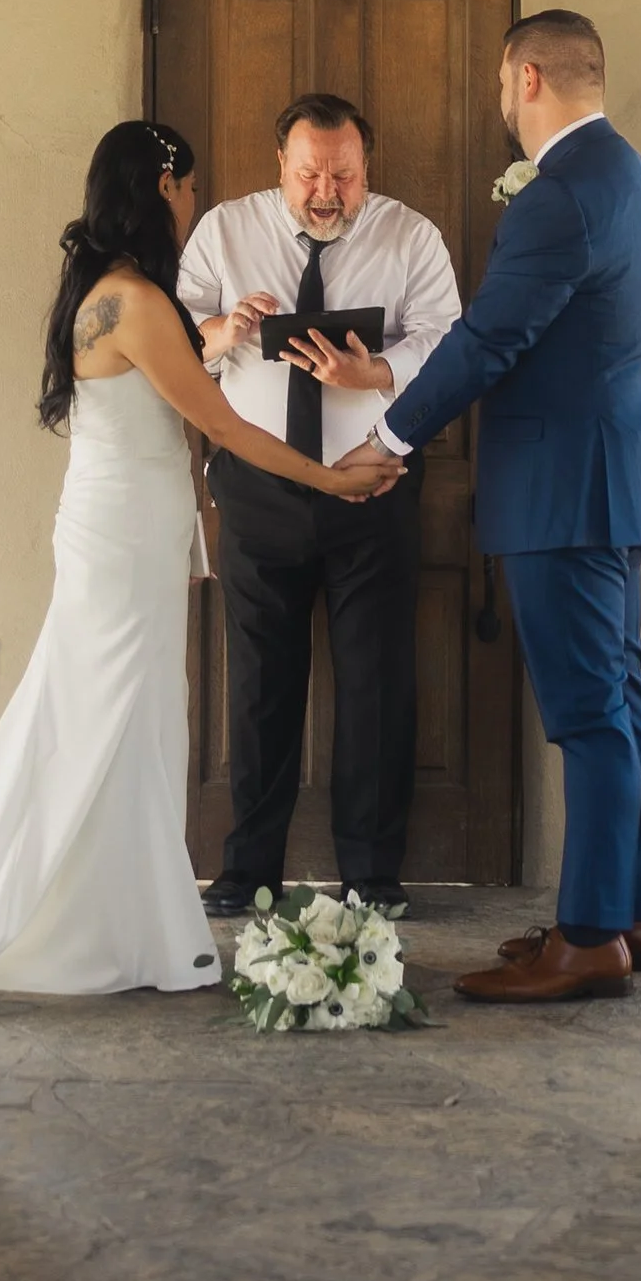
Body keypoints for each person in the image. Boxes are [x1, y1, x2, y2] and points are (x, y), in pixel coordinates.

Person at [0, 121, 403, 1000]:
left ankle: (123, 918)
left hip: (126, 525)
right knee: (105, 711)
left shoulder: (114, 291)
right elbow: (219, 425)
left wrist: (189, 527)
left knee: (129, 713)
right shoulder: (136, 301)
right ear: (160, 188)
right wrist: (330, 479)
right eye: (186, 188)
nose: (192, 202)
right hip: (122, 532)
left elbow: (164, 415)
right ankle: (73, 915)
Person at [370, 12, 641, 1005]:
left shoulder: (558, 195)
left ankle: (590, 939)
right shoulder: (634, 178)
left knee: (591, 716)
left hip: (565, 487)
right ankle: (633, 914)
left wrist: (391, 435)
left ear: (524, 76)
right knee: (623, 697)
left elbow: (488, 339)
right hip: (621, 474)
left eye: (498, 81)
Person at [178, 91, 460, 914]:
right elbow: (175, 335)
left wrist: (376, 372)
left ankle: (371, 874)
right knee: (258, 685)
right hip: (256, 488)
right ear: (281, 165)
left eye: (344, 175)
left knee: (376, 684)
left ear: (366, 166)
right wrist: (228, 329)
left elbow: (449, 340)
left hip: (373, 485)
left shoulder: (411, 236)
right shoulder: (225, 231)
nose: (327, 193)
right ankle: (248, 871)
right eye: (310, 175)